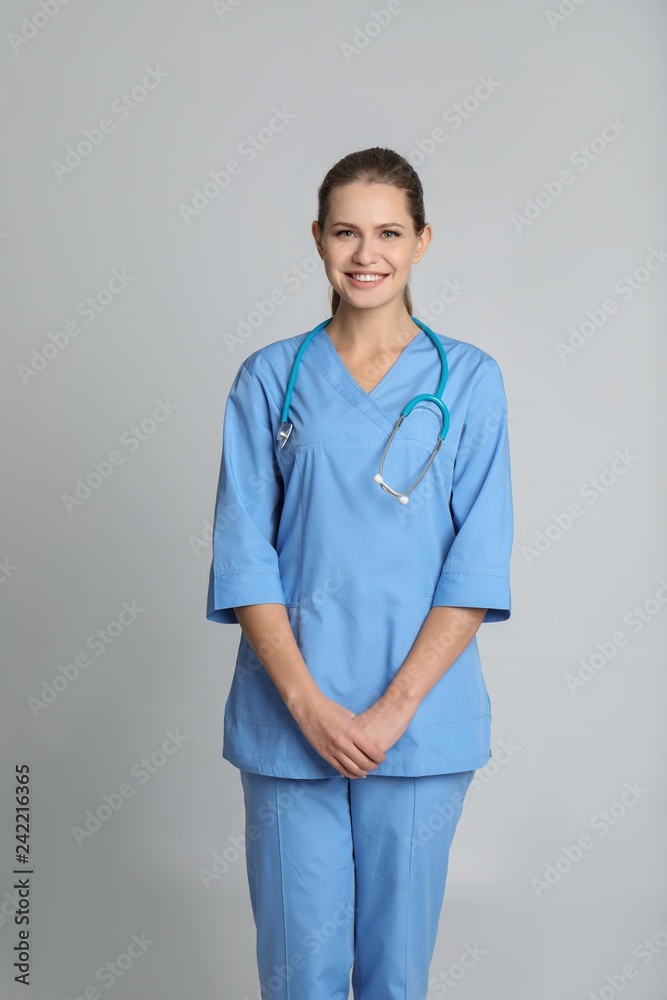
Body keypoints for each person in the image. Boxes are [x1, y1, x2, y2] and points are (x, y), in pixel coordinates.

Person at [206, 146, 514, 1000]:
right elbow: (244, 553)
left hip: (417, 725)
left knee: (394, 977)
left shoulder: (471, 383)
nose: (365, 253)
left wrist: (390, 712)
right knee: (298, 972)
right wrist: (307, 705)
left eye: (387, 232)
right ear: (317, 240)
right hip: (288, 717)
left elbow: (476, 564)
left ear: (421, 241)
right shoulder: (272, 379)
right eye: (345, 231)